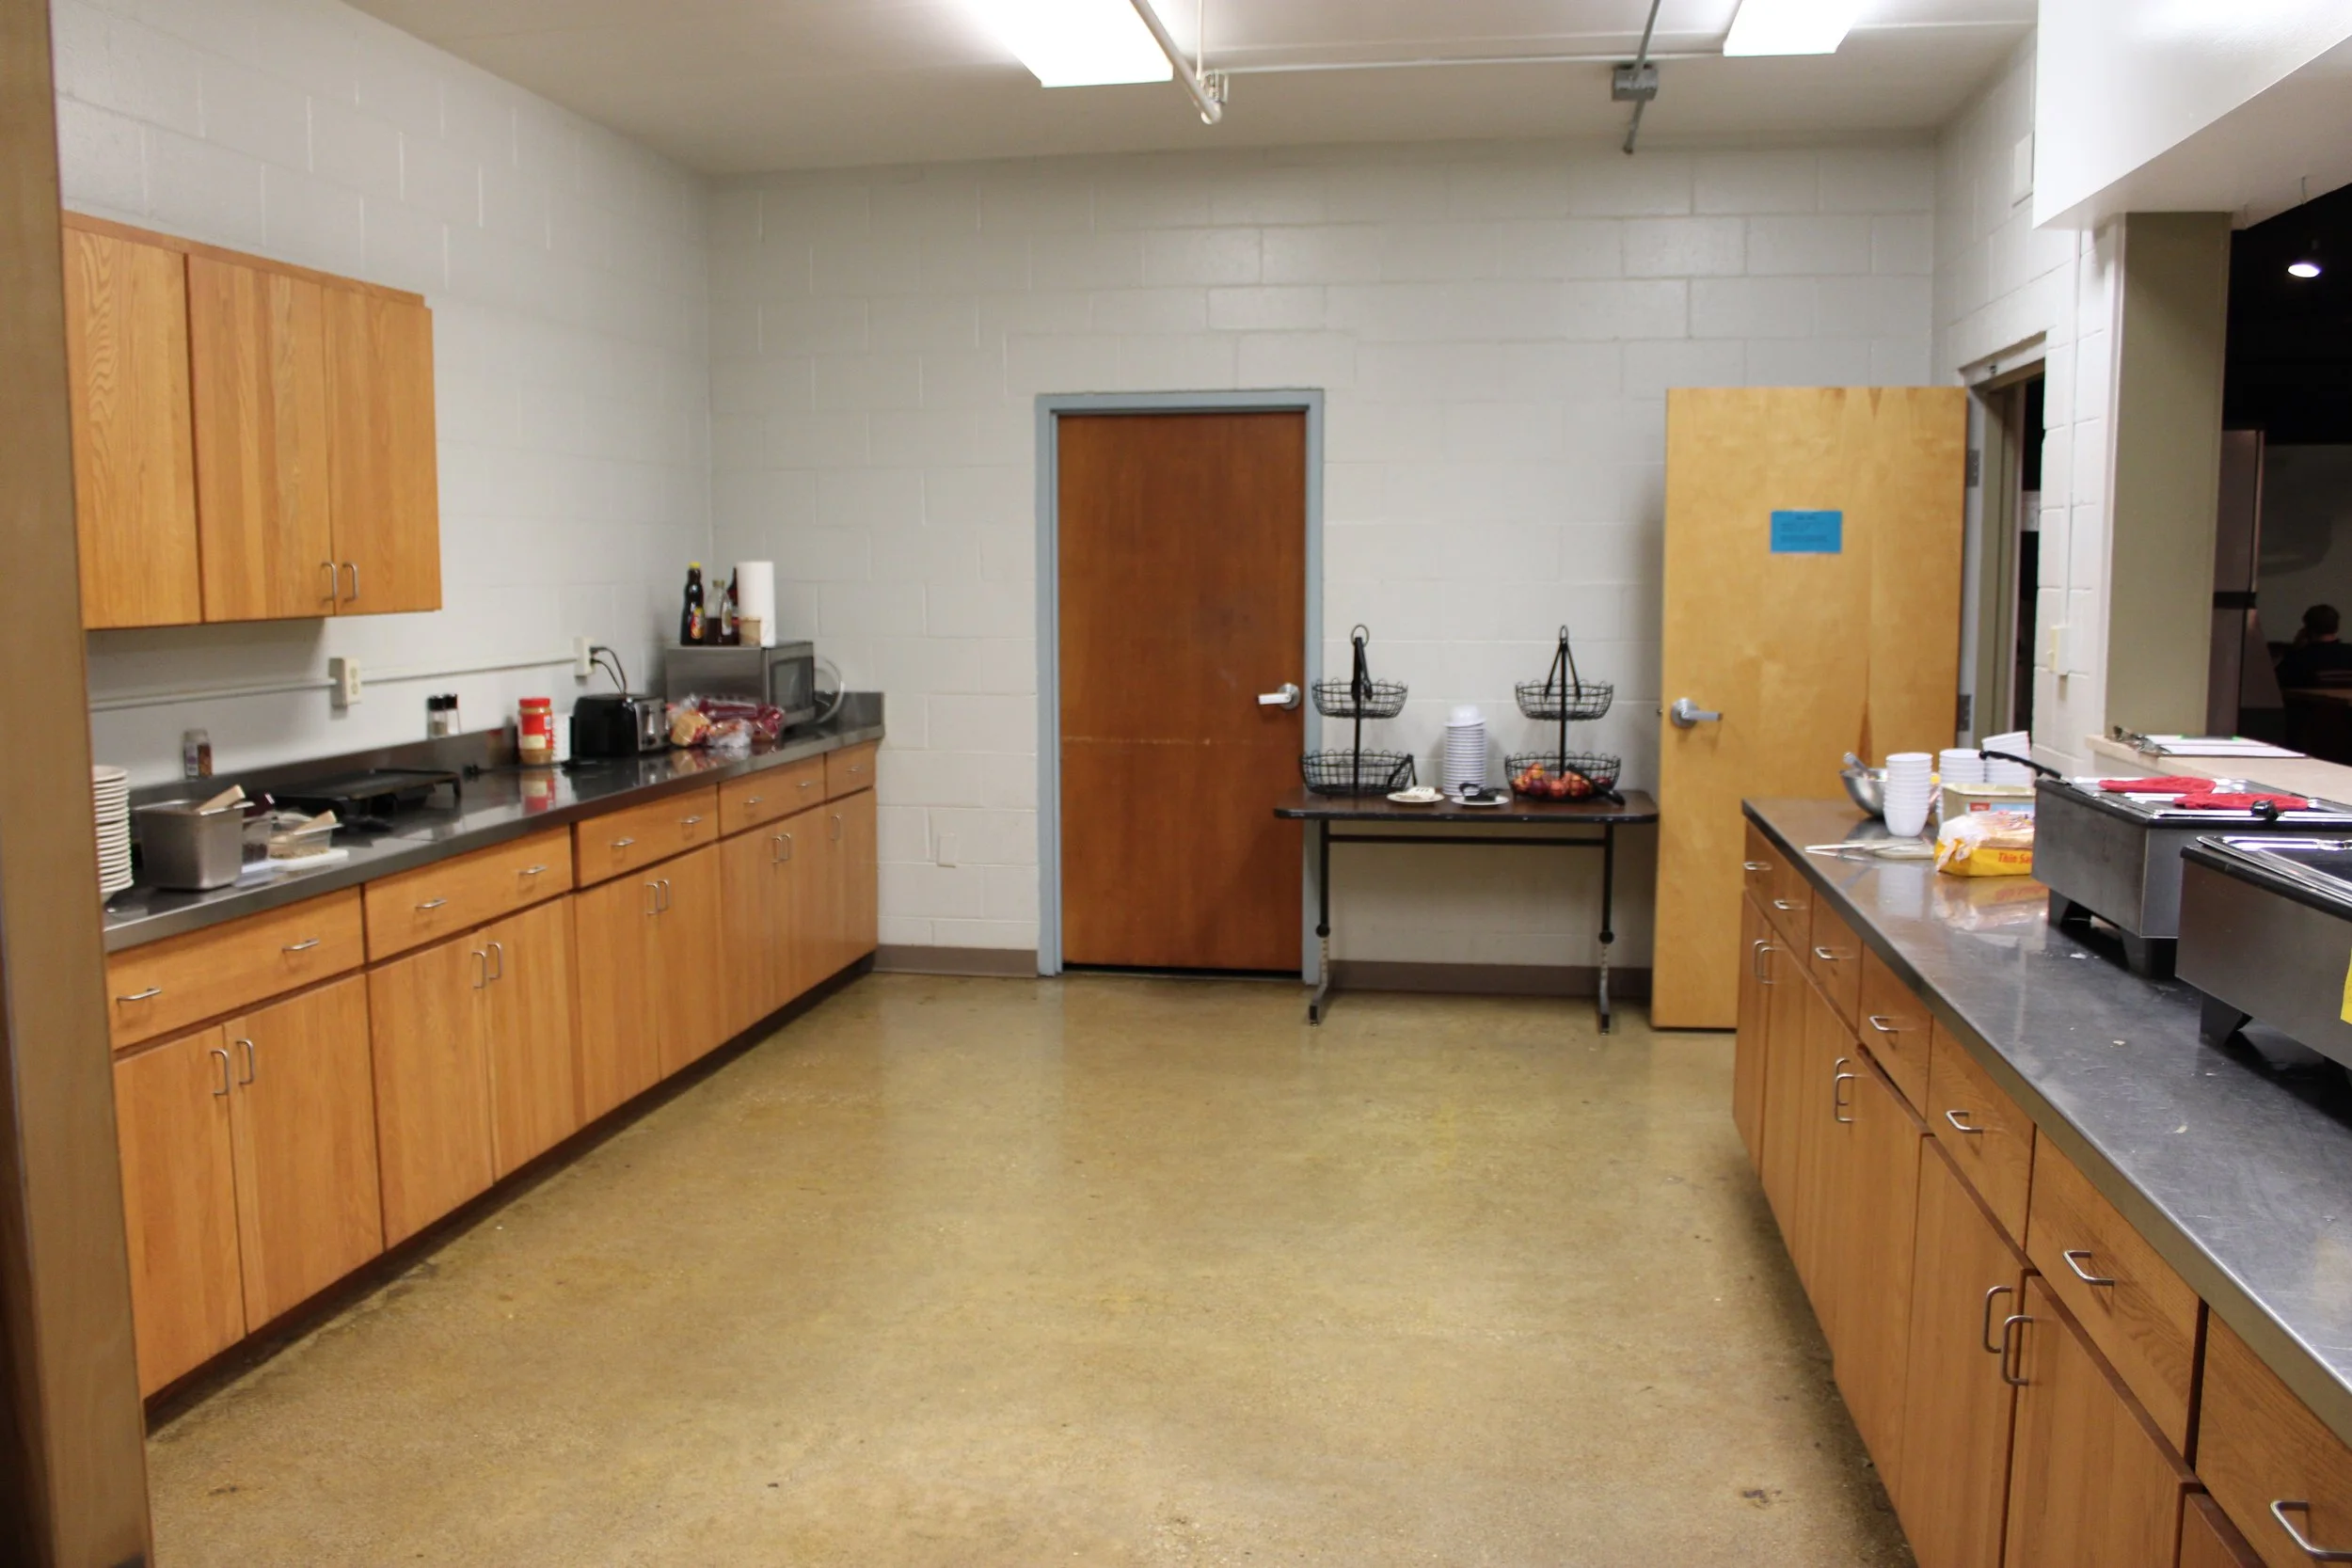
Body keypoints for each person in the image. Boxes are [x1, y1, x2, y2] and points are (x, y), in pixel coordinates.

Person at [2278, 605, 2352, 688]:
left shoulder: (2299, 658)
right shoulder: (2349, 652)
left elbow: (2276, 681)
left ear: (2307, 629)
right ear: (2336, 627)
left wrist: (2294, 648)